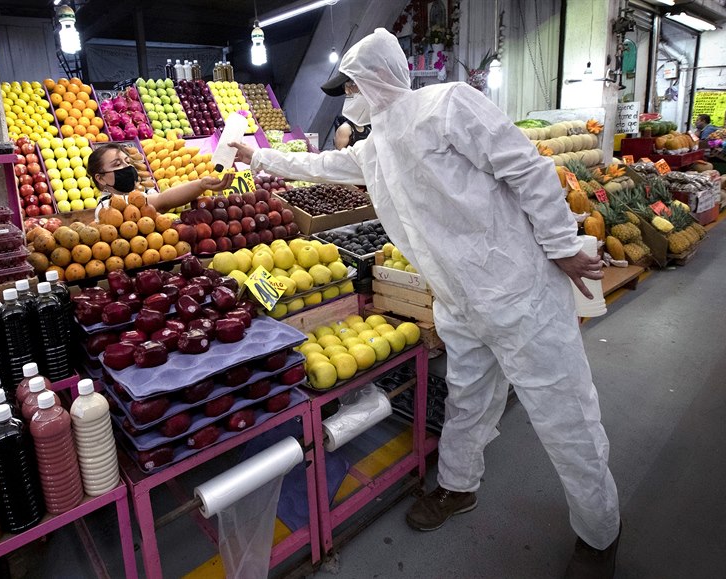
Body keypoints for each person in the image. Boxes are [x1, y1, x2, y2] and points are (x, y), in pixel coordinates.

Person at [230, 28, 621, 579]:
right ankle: (458, 488)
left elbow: (526, 167)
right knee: (467, 402)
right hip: (459, 303)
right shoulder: (377, 148)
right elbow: (319, 167)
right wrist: (260, 156)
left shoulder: (448, 105)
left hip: (519, 295)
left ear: (376, 78)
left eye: (351, 86)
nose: (347, 99)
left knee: (565, 416)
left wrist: (560, 245)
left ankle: (599, 533)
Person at [87, 143, 234, 213]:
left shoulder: (133, 197)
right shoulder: (107, 207)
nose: (126, 168)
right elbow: (162, 201)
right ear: (100, 179)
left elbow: (160, 199)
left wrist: (202, 184)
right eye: (117, 164)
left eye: (127, 161)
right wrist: (201, 185)